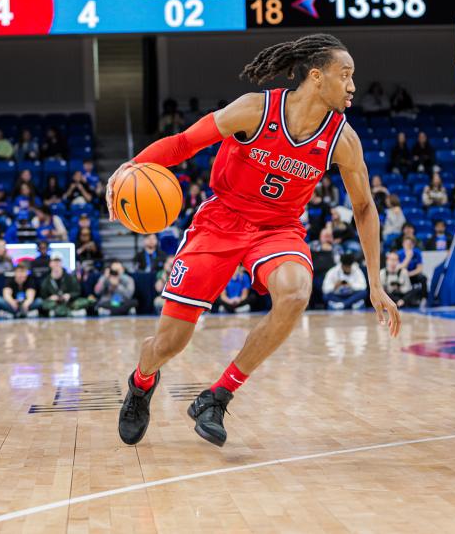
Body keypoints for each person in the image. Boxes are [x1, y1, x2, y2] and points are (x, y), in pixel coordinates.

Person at [110, 34, 399, 448]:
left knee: (297, 292)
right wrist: (132, 168)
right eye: (345, 75)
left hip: (277, 229)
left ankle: (218, 396)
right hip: (221, 221)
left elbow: (366, 208)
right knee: (169, 343)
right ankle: (141, 383)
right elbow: (183, 144)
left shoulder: (342, 140)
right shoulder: (256, 109)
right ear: (316, 77)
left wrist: (375, 282)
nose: (353, 86)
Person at [396, 237, 428, 304]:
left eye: (410, 244)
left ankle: (424, 298)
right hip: (402, 275)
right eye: (406, 244)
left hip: (412, 274)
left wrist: (410, 274)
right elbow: (398, 267)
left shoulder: (417, 252)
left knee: (423, 278)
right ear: (403, 244)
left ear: (413, 245)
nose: (408, 246)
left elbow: (420, 268)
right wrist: (408, 257)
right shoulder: (399, 253)